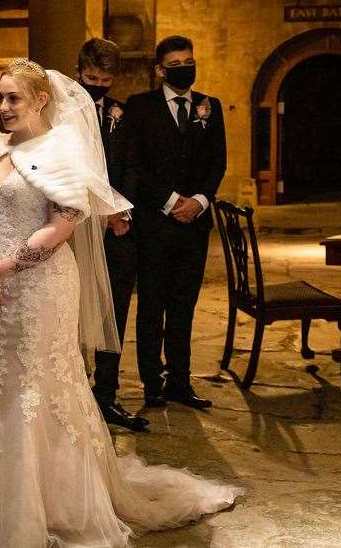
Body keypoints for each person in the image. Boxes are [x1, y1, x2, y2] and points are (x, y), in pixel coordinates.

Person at [0, 58, 242, 547]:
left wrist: (2, 267)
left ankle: (54, 502)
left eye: (14, 98)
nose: (4, 107)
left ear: (40, 100)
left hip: (39, 284)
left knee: (40, 385)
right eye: (0, 97)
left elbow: (63, 226)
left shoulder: (60, 148)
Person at [124, 36, 227, 410]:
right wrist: (170, 201)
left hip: (194, 226)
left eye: (189, 61)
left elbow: (218, 162)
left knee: (184, 305)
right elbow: (134, 165)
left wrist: (199, 201)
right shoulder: (140, 107)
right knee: (152, 305)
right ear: (160, 69)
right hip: (155, 223)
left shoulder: (209, 107)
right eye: (176, 62)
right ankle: (153, 383)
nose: (185, 67)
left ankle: (180, 382)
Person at [77, 38, 149, 433]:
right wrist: (99, 213)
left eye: (106, 78)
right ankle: (75, 393)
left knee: (114, 311)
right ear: (79, 72)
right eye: (92, 77)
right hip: (77, 225)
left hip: (119, 225)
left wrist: (121, 209)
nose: (99, 85)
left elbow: (133, 164)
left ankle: (106, 394)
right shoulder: (62, 114)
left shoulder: (123, 113)